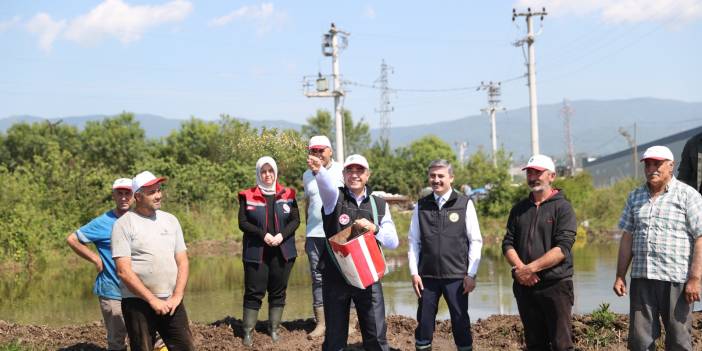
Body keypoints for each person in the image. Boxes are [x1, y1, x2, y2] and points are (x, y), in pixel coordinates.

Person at [613, 145, 702, 350]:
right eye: (648, 164)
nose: (652, 168)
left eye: (658, 164)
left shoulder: (688, 196)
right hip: (642, 279)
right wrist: (620, 275)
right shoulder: (635, 197)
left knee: (679, 340)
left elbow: (700, 238)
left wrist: (695, 279)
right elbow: (627, 237)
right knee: (640, 342)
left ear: (671, 166)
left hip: (676, 281)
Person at [307, 153, 399, 351]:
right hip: (336, 278)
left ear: (368, 175)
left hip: (369, 278)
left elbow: (393, 242)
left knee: (376, 336)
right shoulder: (334, 198)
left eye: (360, 170)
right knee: (335, 338)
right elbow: (326, 185)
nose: (355, 175)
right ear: (343, 174)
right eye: (350, 170)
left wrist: (375, 228)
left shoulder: (379, 204)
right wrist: (319, 171)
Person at [112, 171, 194, 351]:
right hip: (138, 302)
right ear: (138, 196)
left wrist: (178, 295)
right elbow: (123, 271)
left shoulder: (170, 220)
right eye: (152, 192)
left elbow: (183, 261)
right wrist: (152, 300)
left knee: (185, 347)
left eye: (159, 190)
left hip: (172, 301)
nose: (158, 195)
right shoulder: (124, 224)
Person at [502, 154, 577, 351]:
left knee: (562, 345)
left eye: (538, 172)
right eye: (529, 173)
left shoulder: (563, 207)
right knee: (534, 344)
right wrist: (521, 270)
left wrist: (530, 269)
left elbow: (563, 248)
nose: (533, 177)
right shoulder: (519, 209)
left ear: (551, 176)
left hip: (556, 286)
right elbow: (507, 244)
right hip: (524, 287)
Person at [408, 160, 483, 351]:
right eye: (433, 176)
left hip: (457, 276)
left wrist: (471, 274)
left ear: (451, 178)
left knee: (460, 322)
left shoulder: (464, 204)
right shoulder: (421, 206)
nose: (436, 180)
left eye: (441, 176)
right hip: (427, 277)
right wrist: (414, 273)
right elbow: (413, 242)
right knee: (424, 324)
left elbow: (475, 240)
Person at [238, 156, 300, 346]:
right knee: (254, 292)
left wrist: (282, 235)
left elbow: (296, 221)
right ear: (258, 173)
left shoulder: (288, 194)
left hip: (283, 251)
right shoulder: (247, 195)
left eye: (270, 171)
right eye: (263, 171)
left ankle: (273, 329)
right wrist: (262, 235)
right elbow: (243, 223)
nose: (267, 175)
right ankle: (248, 331)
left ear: (275, 172)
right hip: (257, 252)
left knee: (278, 291)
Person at [66, 178, 132, 351]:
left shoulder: (139, 219)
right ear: (114, 196)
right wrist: (95, 259)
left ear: (134, 196)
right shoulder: (102, 222)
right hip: (112, 289)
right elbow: (72, 239)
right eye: (120, 193)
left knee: (148, 334)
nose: (124, 197)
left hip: (138, 289)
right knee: (117, 339)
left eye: (128, 193)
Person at [301, 136, 344, 339]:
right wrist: (307, 230)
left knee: (345, 275)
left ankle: (349, 321)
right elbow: (307, 203)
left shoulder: (342, 171)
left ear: (330, 151)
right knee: (318, 278)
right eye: (313, 151)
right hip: (314, 233)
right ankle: (322, 323)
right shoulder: (306, 175)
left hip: (338, 233)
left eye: (321, 150)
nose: (317, 154)